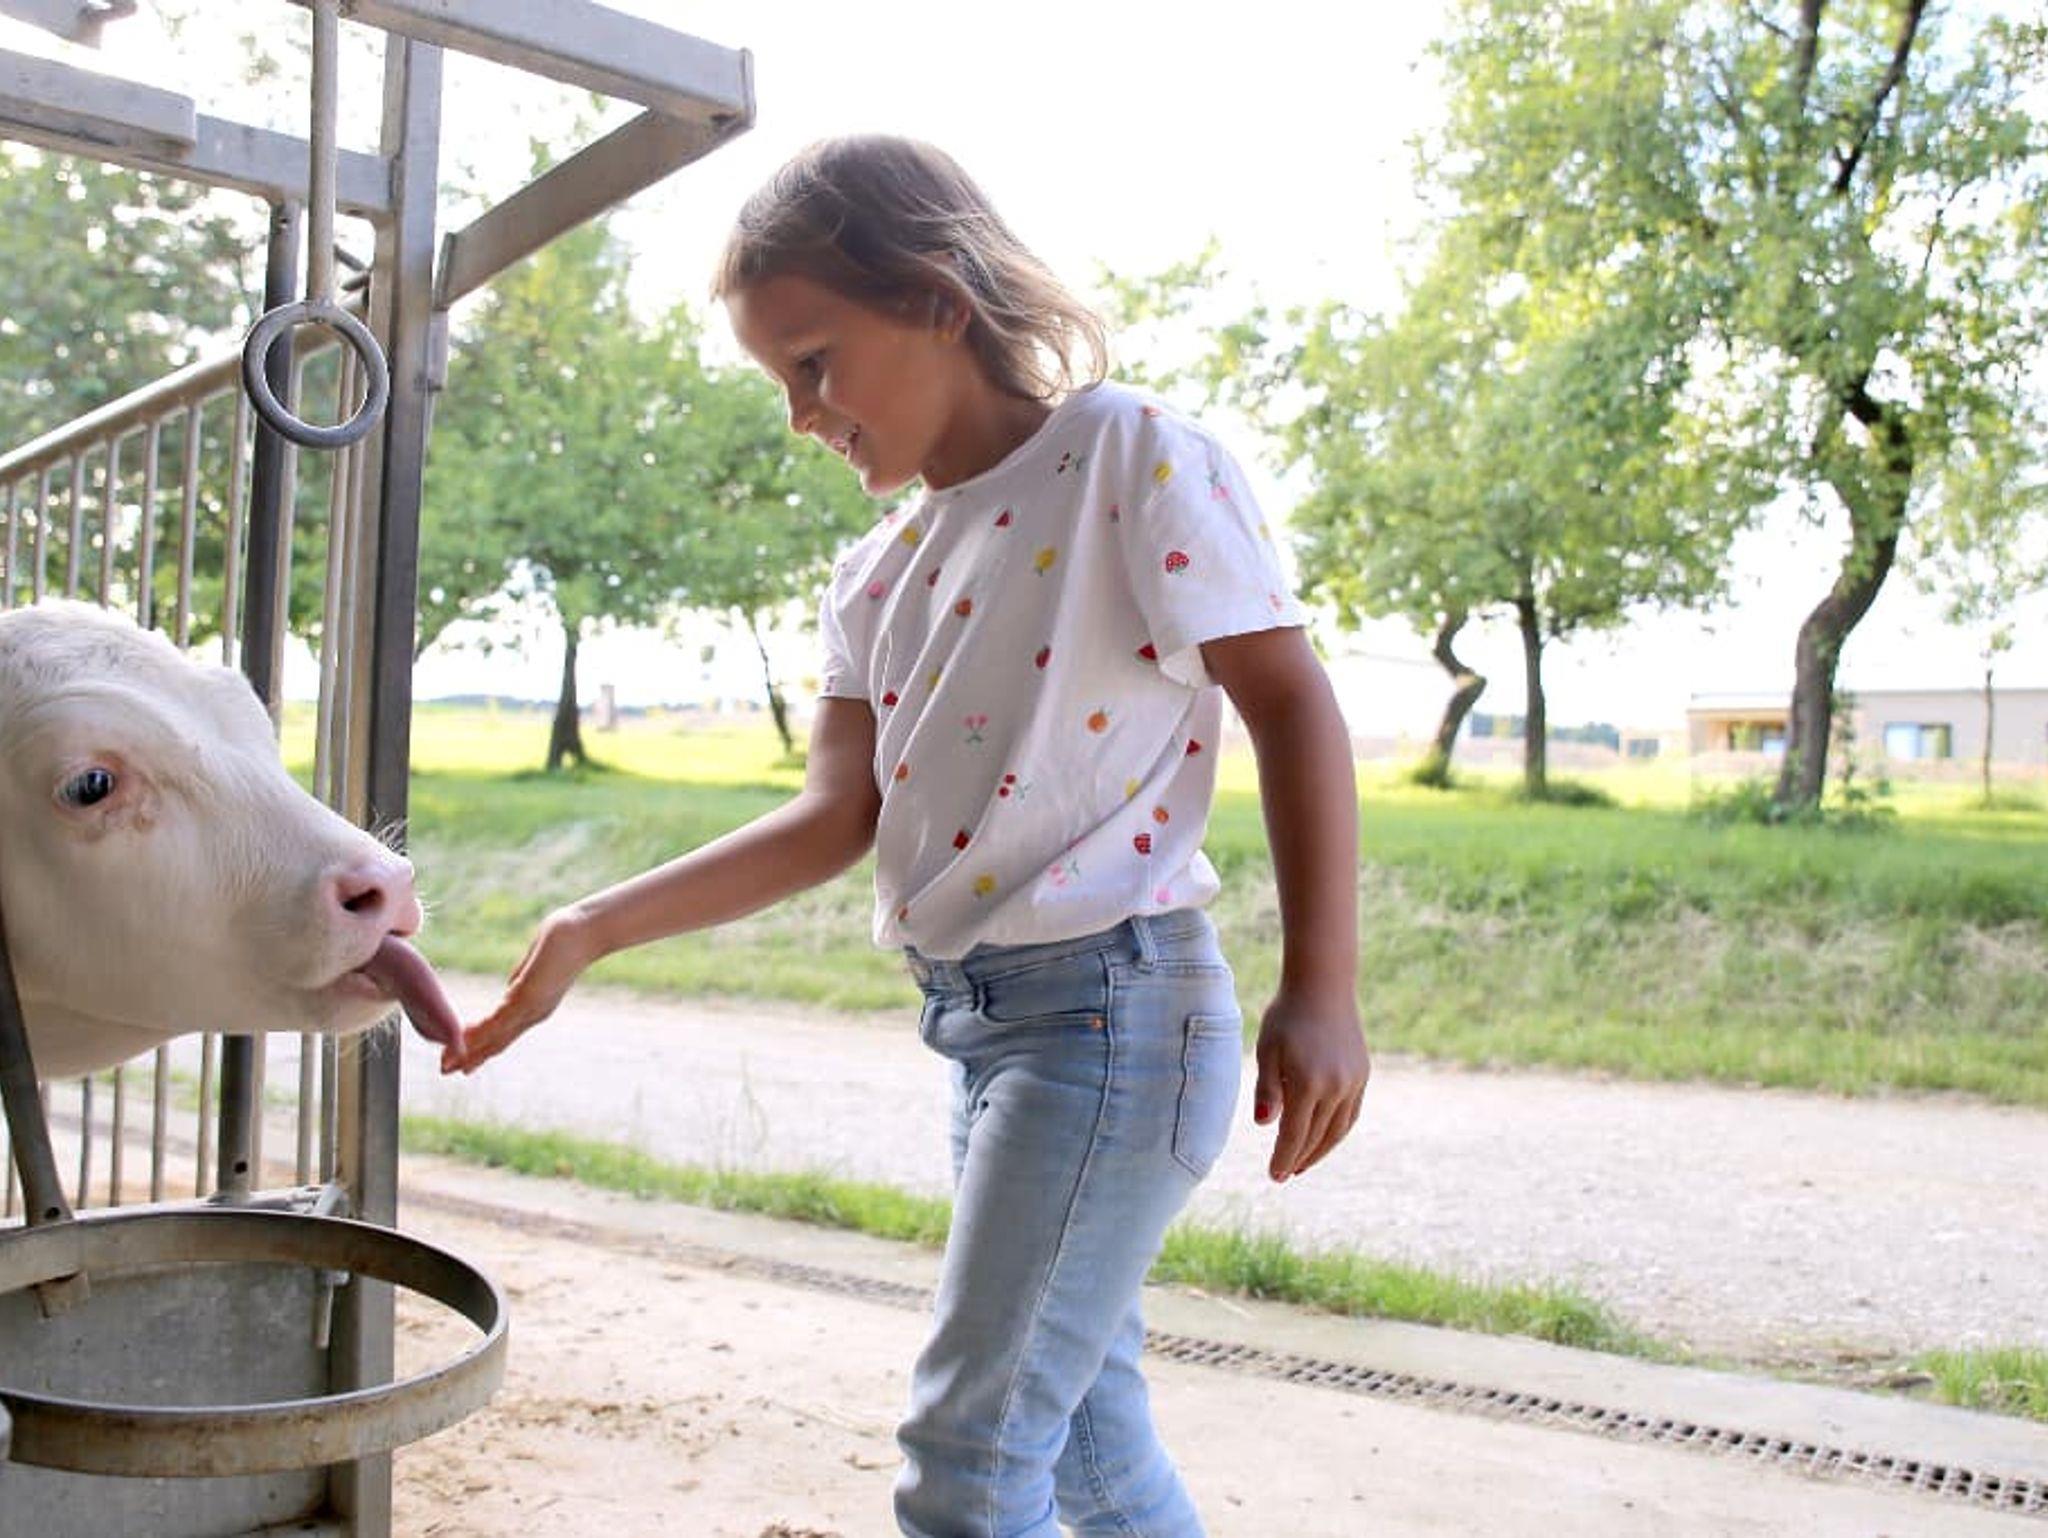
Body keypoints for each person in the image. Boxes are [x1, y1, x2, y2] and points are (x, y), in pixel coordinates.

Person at [447, 133, 1369, 1538]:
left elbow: (1292, 704)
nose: (799, 415)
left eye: (814, 363)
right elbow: (834, 815)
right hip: (986, 1031)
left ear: (939, 299)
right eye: (779, 382)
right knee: (1086, 1447)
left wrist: (1323, 989)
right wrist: (589, 927)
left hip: (1116, 1016)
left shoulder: (1130, 455)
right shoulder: (875, 574)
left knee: (967, 1465)